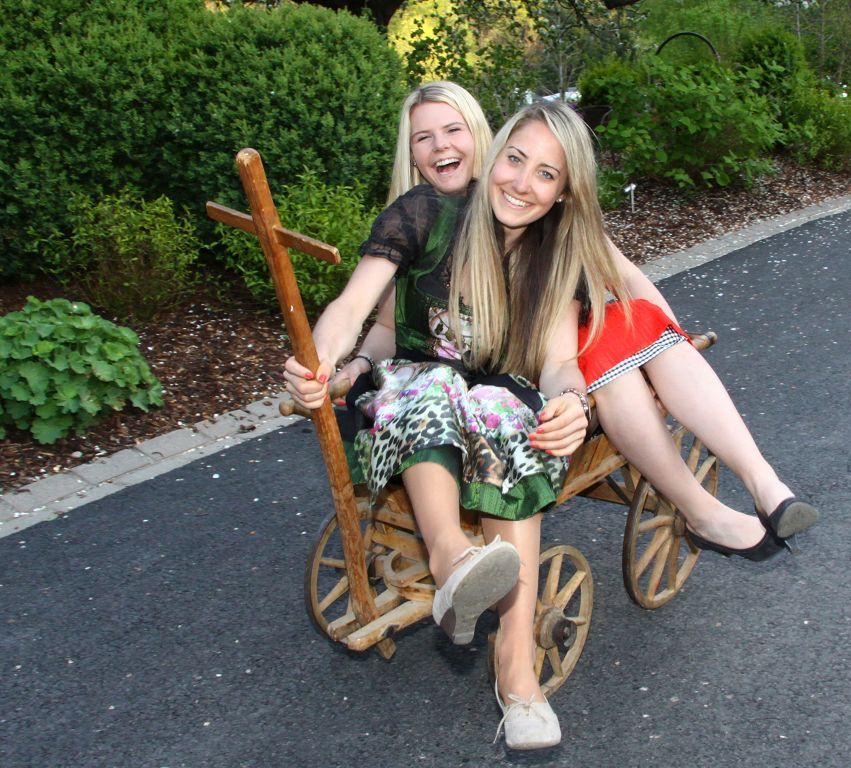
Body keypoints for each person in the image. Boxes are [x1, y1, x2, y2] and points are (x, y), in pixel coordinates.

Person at [342, 82, 818, 559]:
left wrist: (673, 336)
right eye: (423, 138)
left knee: (639, 330)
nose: (440, 146)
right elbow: (393, 324)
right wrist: (362, 362)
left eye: (453, 130)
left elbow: (623, 276)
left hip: (558, 346)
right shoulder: (422, 220)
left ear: (485, 138)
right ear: (410, 152)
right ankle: (703, 511)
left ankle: (762, 485)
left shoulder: (539, 203)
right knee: (613, 370)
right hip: (517, 372)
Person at [285, 101, 628, 750]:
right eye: (515, 159)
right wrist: (319, 358)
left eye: (546, 174)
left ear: (564, 192)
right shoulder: (427, 214)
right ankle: (451, 560)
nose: (522, 183)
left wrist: (572, 402)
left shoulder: (558, 252)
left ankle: (516, 673)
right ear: (493, 154)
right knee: (437, 383)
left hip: (491, 410)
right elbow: (354, 306)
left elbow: (559, 361)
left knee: (508, 413)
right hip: (407, 403)